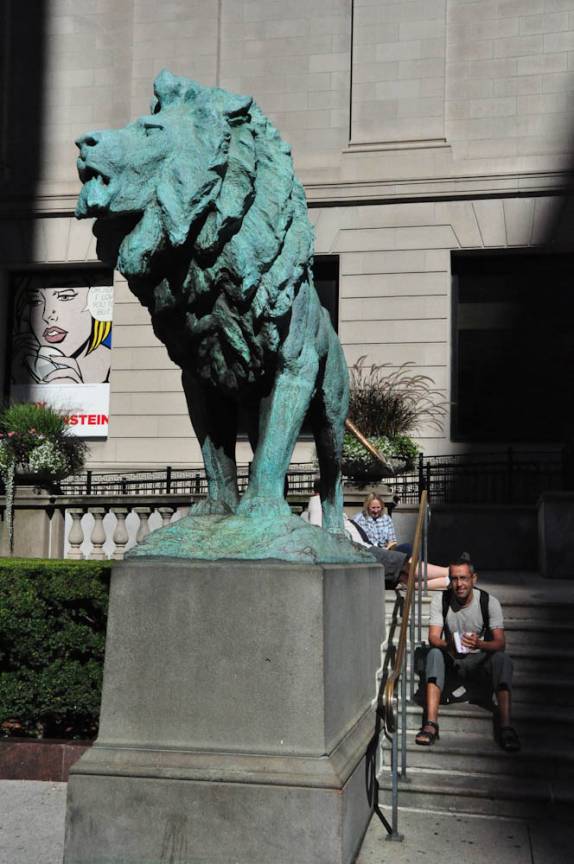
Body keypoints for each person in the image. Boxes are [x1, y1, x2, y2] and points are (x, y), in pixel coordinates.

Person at [415, 554, 520, 752]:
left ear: (474, 579)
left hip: (478, 662)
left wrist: (480, 644)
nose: (459, 584)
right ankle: (431, 724)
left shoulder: (489, 602)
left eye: (463, 578)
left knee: (502, 660)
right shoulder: (441, 600)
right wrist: (449, 646)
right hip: (452, 661)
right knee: (434, 654)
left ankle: (506, 726)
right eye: (454, 578)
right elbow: (433, 638)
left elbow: (500, 643)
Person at [301, 482, 449, 590]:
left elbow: (392, 539)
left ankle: (448, 580)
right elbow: (318, 531)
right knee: (405, 564)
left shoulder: (328, 507)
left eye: (378, 507)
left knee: (403, 571)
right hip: (364, 551)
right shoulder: (317, 504)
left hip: (367, 549)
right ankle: (450, 573)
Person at [11, 274, 112, 386]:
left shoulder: (117, 368)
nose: (47, 315)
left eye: (65, 297)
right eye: (35, 301)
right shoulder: (22, 365)